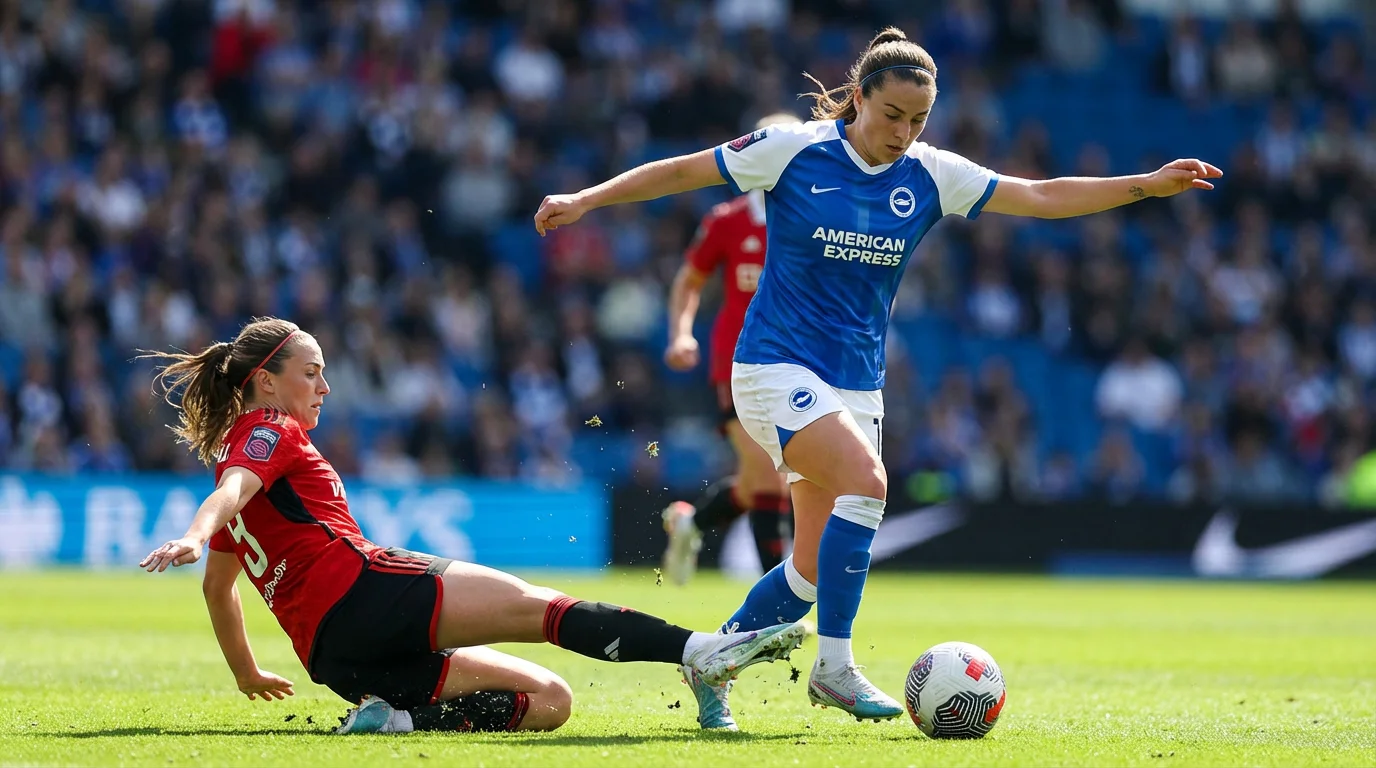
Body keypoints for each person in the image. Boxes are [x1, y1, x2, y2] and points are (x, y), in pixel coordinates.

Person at [534, 26, 1220, 730]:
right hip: (772, 367)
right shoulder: (796, 150)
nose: (903, 132)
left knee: (804, 573)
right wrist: (587, 198)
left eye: (918, 120)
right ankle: (834, 667)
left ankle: (711, 664)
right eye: (892, 115)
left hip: (856, 385)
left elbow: (1040, 196)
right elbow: (684, 171)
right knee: (869, 485)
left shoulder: (930, 173)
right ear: (857, 98)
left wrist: (1146, 185)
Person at [137, 317, 806, 735]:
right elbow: (232, 491)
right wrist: (195, 536)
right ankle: (699, 652)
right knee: (541, 609)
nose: (325, 386)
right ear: (265, 382)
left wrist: (248, 672)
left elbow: (219, 588)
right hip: (366, 592)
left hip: (335, 659)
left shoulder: (244, 451)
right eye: (311, 373)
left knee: (549, 700)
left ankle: (396, 718)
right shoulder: (267, 430)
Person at [661, 113, 799, 587]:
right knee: (769, 480)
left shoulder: (815, 220)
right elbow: (690, 279)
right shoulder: (728, 221)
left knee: (758, 483)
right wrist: (681, 332)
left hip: (799, 365)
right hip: (737, 363)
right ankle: (776, 606)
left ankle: (690, 523)